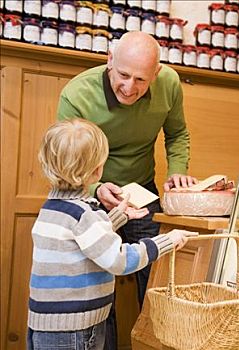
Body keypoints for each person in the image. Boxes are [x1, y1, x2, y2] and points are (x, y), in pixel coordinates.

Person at [56, 31, 198, 348]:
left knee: (158, 278)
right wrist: (94, 186)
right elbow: (64, 161)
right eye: (123, 75)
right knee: (98, 285)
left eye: (140, 80)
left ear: (156, 75)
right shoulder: (76, 94)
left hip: (142, 193)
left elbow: (177, 135)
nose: (129, 88)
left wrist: (177, 173)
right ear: (109, 61)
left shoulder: (170, 84)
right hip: (88, 196)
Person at [28, 118, 198, 350]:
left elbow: (84, 241)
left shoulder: (53, 207)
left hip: (46, 325)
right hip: (77, 329)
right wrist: (165, 242)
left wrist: (120, 216)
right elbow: (118, 260)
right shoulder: (85, 215)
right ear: (97, 170)